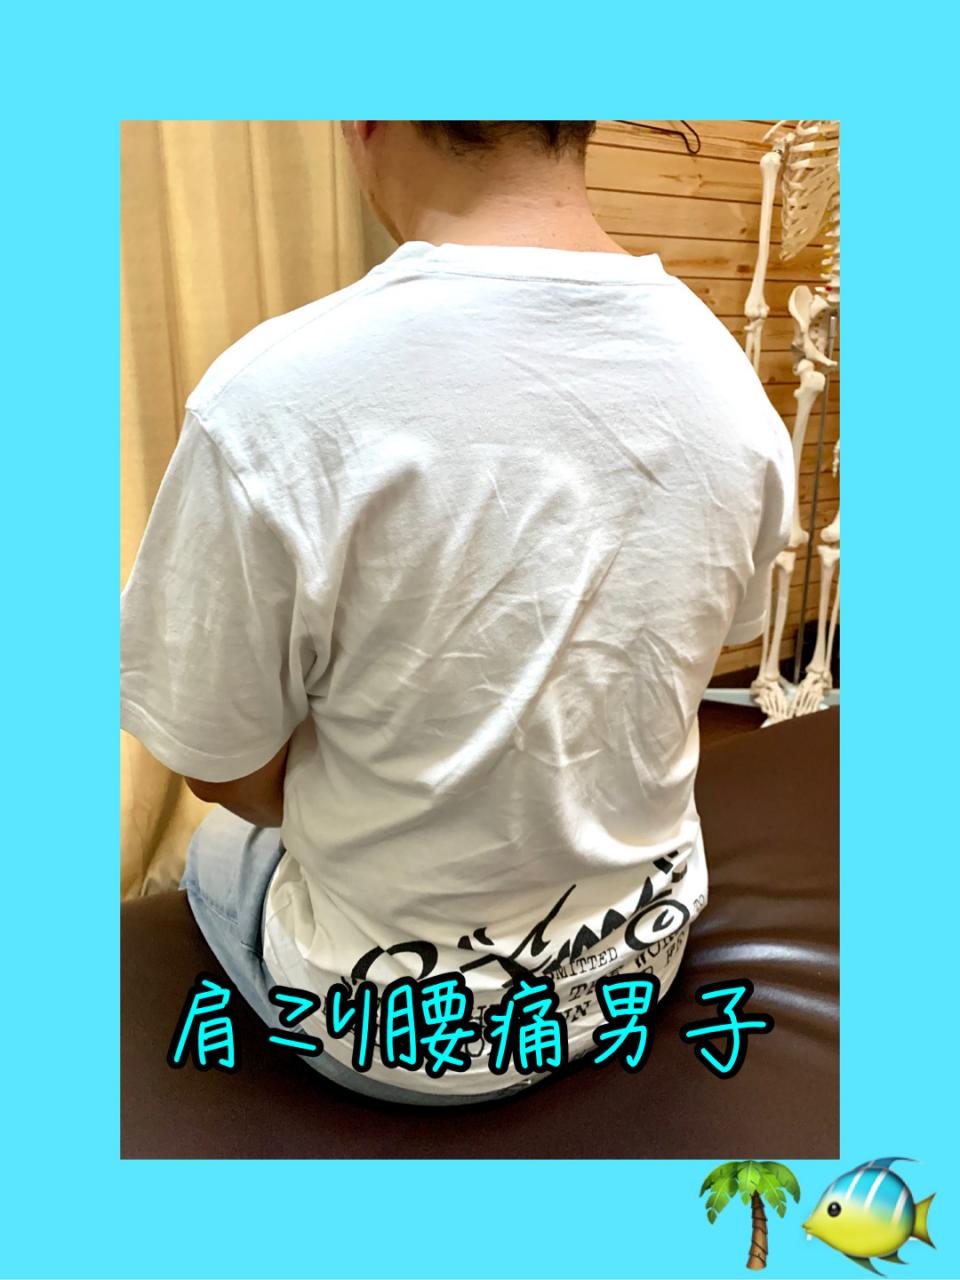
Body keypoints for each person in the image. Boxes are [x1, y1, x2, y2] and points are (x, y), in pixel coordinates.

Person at [120, 120, 795, 1105]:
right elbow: (695, 658)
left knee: (213, 849)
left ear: (369, 122)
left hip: (396, 1034)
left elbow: (218, 767)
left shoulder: (269, 398)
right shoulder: (729, 383)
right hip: (636, 964)